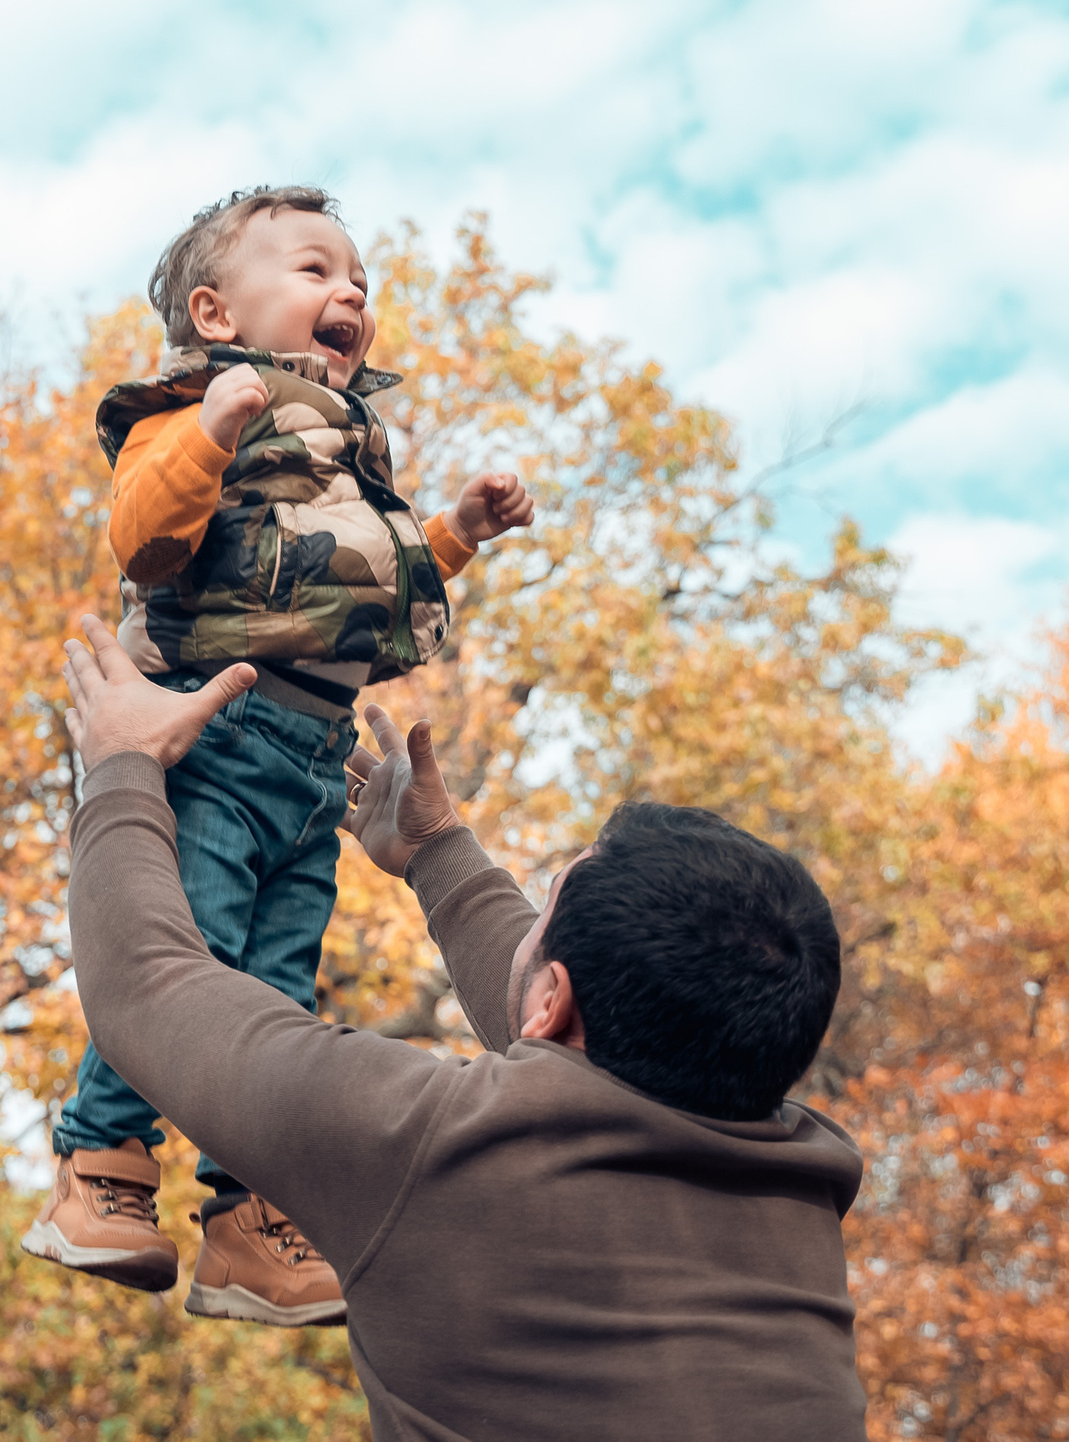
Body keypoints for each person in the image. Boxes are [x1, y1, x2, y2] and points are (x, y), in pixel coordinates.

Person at [56, 615, 869, 1441]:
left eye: (542, 902)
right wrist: (440, 851)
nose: (529, 909)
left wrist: (122, 764)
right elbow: (564, 1022)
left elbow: (146, 985)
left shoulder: (427, 1148)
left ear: (550, 999)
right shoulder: (803, 1190)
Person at [26, 186, 536, 1323]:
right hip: (212, 730)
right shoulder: (191, 412)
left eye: (358, 279)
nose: (348, 291)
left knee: (274, 996)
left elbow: (353, 589)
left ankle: (247, 1225)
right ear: (216, 314)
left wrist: (454, 531)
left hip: (309, 764)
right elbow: (145, 537)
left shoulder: (348, 455)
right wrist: (212, 430)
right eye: (314, 270)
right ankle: (99, 1166)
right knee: (186, 959)